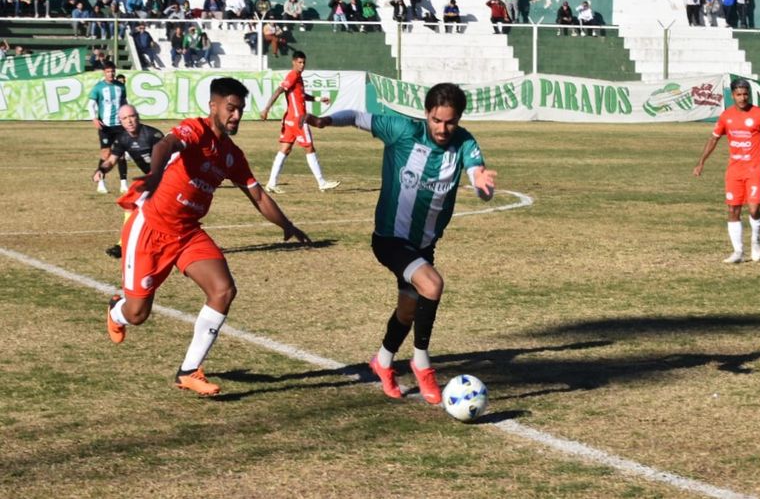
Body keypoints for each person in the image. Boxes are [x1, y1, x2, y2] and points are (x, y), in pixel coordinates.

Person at [104, 77, 311, 396]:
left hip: (187, 233)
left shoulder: (232, 154)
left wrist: (287, 224)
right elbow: (165, 145)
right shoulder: (194, 129)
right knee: (137, 314)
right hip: (151, 228)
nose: (237, 116)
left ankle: (188, 370)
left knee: (223, 290)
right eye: (231, 108)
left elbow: (257, 195)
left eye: (241, 110)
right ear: (213, 106)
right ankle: (116, 310)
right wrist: (156, 174)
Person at [307, 82, 497, 404]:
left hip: (423, 245)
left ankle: (382, 362)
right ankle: (422, 365)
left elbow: (477, 174)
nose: (442, 128)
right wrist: (327, 121)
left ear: (459, 118)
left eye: (450, 122)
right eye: (436, 120)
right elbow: (357, 116)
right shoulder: (402, 129)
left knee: (408, 312)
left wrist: (481, 184)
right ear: (426, 114)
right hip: (390, 239)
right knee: (432, 285)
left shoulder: (464, 142)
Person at [693, 78, 760, 264]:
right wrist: (701, 162)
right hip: (735, 169)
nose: (742, 98)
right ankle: (738, 252)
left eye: (745, 94)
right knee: (733, 209)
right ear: (732, 95)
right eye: (739, 94)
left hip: (756, 168)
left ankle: (755, 241)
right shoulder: (726, 116)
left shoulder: (759, 114)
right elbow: (713, 138)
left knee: (754, 208)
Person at [259, 51, 340, 194]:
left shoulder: (298, 77)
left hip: (290, 118)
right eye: (299, 62)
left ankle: (271, 183)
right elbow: (279, 90)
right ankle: (322, 183)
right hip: (299, 120)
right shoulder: (293, 75)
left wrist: (318, 99)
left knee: (285, 149)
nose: (302, 65)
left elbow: (302, 96)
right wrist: (266, 108)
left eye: (304, 62)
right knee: (309, 148)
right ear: (293, 62)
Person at [93, 104, 164, 258]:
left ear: (137, 116)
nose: (129, 121)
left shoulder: (154, 135)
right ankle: (123, 245)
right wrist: (101, 170)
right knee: (130, 206)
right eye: (125, 118)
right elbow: (111, 160)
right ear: (121, 121)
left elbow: (171, 160)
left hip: (169, 179)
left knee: (164, 214)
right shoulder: (122, 139)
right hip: (153, 180)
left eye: (131, 116)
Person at [88, 61, 128, 194]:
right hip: (105, 126)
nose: (111, 74)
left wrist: (126, 117)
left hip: (119, 125)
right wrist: (94, 118)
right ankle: (101, 182)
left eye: (112, 71)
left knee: (121, 155)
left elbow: (124, 103)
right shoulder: (98, 87)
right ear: (104, 73)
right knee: (106, 154)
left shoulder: (121, 87)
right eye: (108, 72)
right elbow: (91, 104)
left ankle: (124, 184)